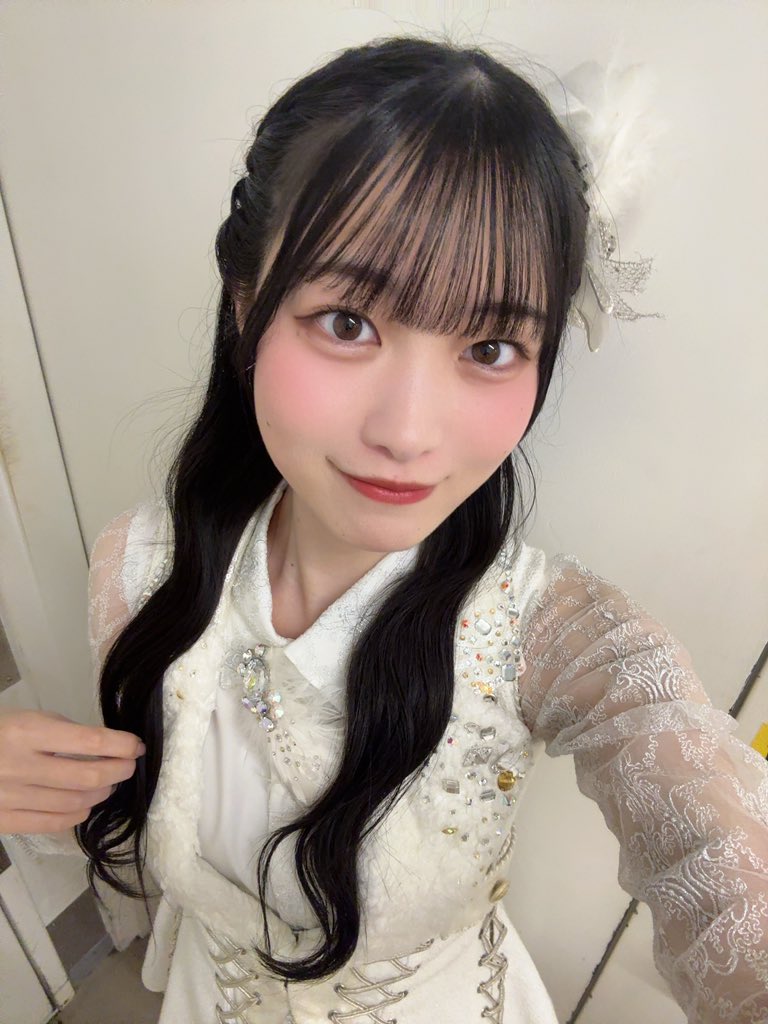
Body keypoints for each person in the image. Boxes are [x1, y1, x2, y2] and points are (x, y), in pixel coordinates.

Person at [1, 35, 766, 1024]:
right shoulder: (138, 570)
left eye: (489, 345)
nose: (408, 432)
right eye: (348, 322)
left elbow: (719, 864)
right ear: (247, 303)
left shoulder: (556, 639)